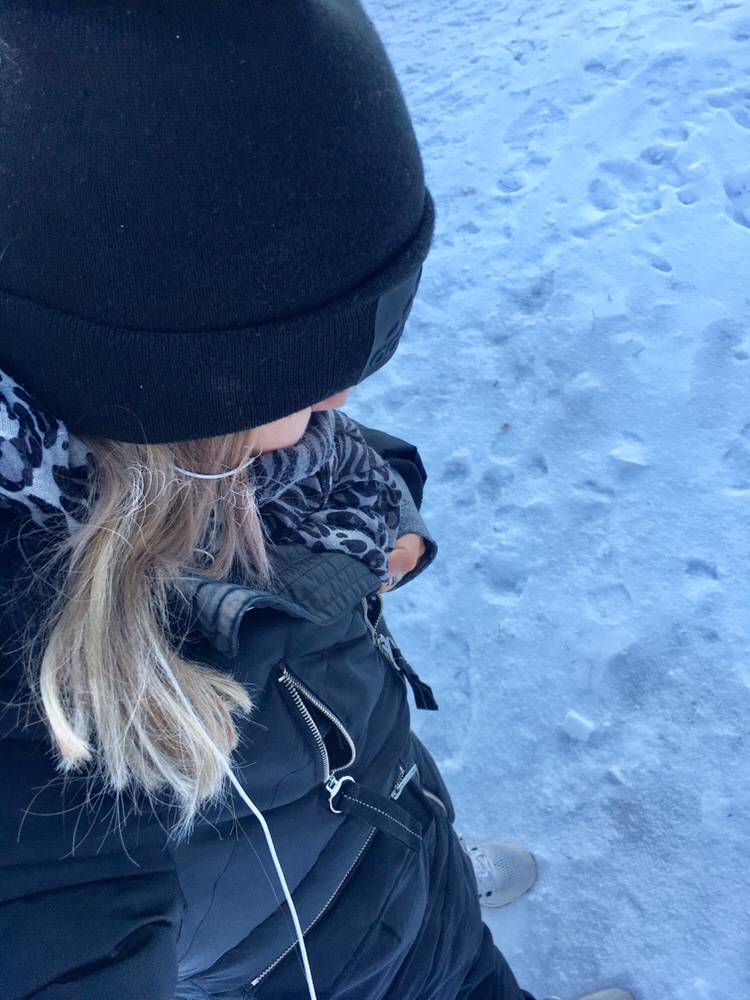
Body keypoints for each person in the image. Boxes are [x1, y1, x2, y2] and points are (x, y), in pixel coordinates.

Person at [0, 3, 635, 999]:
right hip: (318, 969)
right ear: (161, 389)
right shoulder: (39, 713)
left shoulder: (169, 433)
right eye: (310, 372)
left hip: (386, 835)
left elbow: (309, 459)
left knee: (435, 907)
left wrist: (381, 520)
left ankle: (432, 894)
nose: (341, 401)